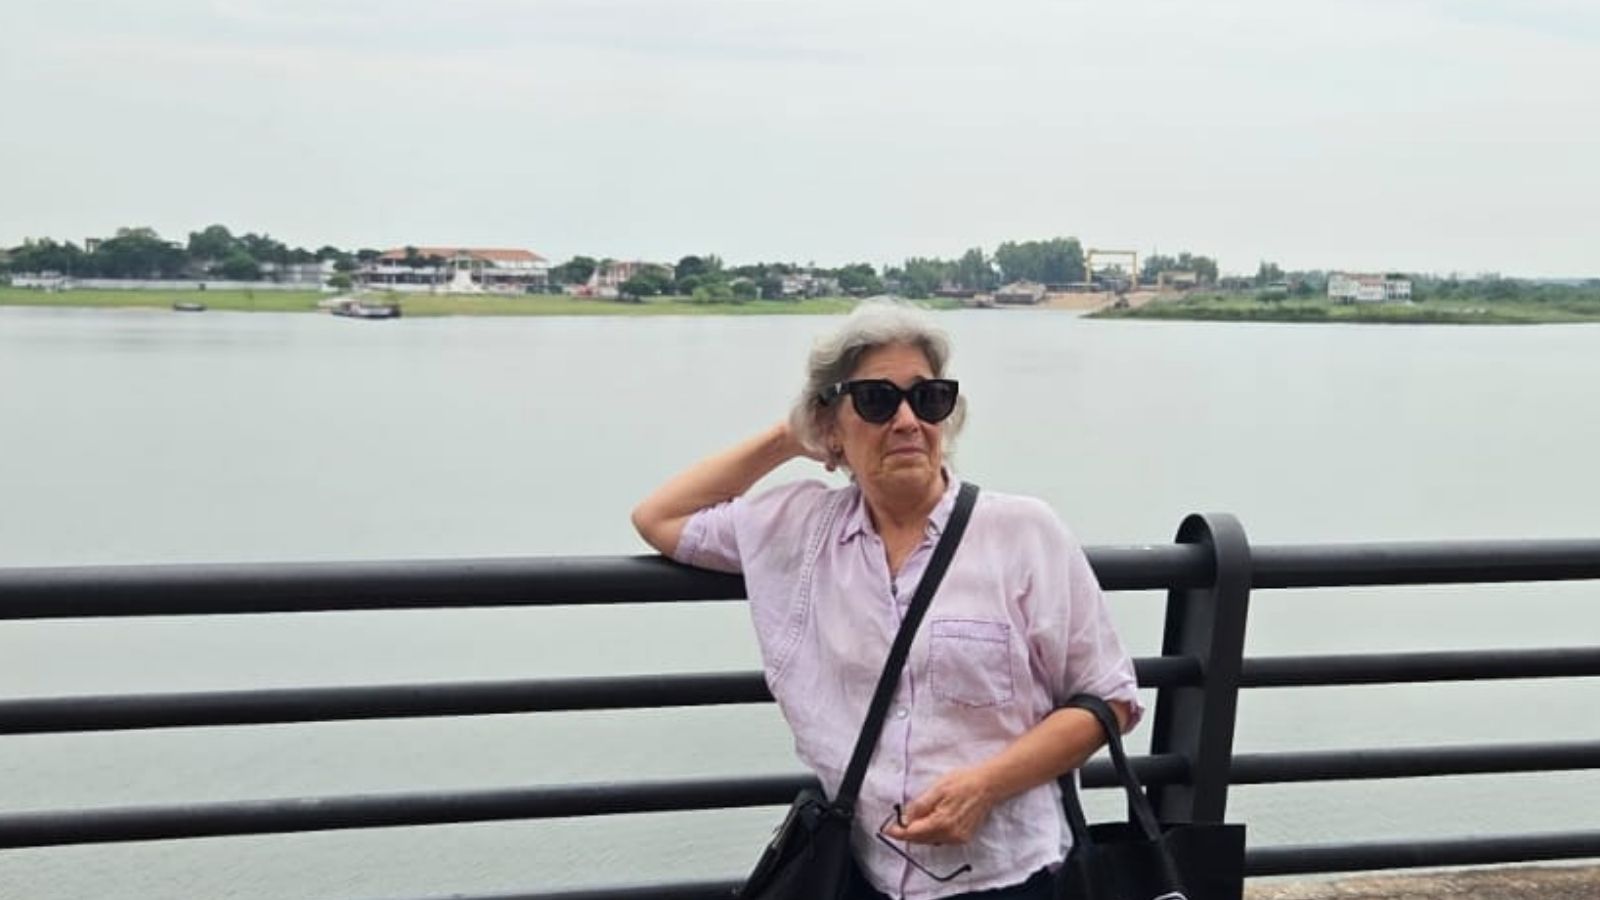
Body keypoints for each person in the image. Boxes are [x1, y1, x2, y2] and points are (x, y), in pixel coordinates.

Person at [632, 301, 1141, 900]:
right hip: (866, 875)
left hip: (1011, 877)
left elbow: (1112, 698)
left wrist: (986, 786)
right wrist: (789, 437)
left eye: (928, 399)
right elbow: (660, 517)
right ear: (833, 426)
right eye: (876, 401)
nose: (906, 421)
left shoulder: (1023, 532)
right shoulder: (802, 530)